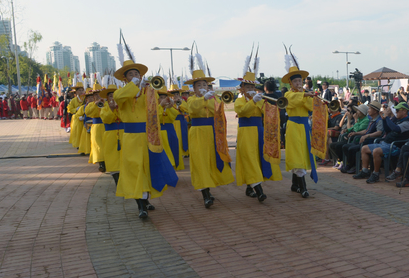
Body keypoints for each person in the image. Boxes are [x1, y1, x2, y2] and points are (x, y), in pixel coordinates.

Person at [114, 58, 178, 218]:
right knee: (135, 169)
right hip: (131, 138)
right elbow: (119, 98)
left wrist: (164, 105)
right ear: (125, 78)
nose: (135, 76)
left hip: (149, 135)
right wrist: (133, 86)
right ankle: (140, 205)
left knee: (148, 167)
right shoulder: (120, 93)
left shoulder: (150, 92)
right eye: (131, 74)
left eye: (137, 73)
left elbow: (155, 110)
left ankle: (146, 198)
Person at [185, 56, 235, 207]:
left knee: (212, 160)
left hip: (213, 132)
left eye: (204, 84)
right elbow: (192, 110)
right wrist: (203, 99)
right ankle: (205, 194)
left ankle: (210, 187)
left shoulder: (214, 99)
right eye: (199, 85)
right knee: (200, 162)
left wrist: (210, 99)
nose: (202, 87)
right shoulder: (191, 99)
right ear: (194, 88)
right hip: (198, 133)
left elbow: (219, 112)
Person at [235, 65, 283, 202]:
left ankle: (250, 187)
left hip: (259, 132)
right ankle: (259, 191)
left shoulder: (259, 99)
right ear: (242, 89)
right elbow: (242, 112)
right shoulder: (239, 100)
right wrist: (252, 102)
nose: (250, 90)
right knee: (249, 158)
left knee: (257, 158)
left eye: (252, 88)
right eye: (247, 87)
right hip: (246, 132)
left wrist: (266, 102)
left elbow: (267, 112)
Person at [283, 55, 320, 198]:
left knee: (303, 155)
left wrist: (307, 96)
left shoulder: (304, 94)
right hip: (293, 126)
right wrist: (303, 96)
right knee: (297, 155)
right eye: (296, 81)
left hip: (304, 127)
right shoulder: (288, 94)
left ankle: (294, 184)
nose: (299, 83)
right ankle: (303, 188)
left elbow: (310, 107)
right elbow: (291, 101)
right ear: (291, 83)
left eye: (300, 80)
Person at [355, 102, 409, 183]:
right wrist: (384, 120)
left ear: (404, 111)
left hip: (395, 147)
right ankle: (365, 171)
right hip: (385, 144)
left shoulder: (407, 123)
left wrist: (387, 118)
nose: (396, 111)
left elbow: (395, 129)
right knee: (364, 148)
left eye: (398, 110)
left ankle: (375, 174)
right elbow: (388, 130)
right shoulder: (398, 121)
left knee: (376, 151)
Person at [99, 85, 123, 186]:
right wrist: (112, 110)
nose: (112, 98)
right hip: (110, 136)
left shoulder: (124, 107)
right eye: (110, 96)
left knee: (124, 157)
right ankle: (117, 180)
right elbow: (106, 119)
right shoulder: (104, 108)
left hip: (123, 134)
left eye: (115, 95)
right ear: (107, 98)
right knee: (112, 158)